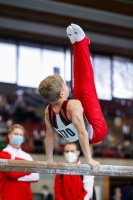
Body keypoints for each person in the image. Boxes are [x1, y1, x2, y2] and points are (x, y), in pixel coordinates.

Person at [38, 24, 107, 170]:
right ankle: (81, 43)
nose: (67, 85)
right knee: (86, 84)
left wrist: (49, 161)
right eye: (64, 84)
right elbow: (82, 132)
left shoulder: (48, 110)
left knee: (79, 86)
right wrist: (89, 159)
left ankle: (76, 44)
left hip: (80, 133)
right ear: (62, 94)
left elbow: (49, 136)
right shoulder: (73, 105)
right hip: (96, 132)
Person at [0, 124, 39, 200]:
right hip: (8, 196)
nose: (18, 136)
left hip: (26, 196)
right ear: (9, 135)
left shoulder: (27, 155)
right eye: (16, 134)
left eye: (21, 134)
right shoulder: (2, 154)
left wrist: (17, 171)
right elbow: (12, 174)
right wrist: (29, 168)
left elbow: (36, 177)